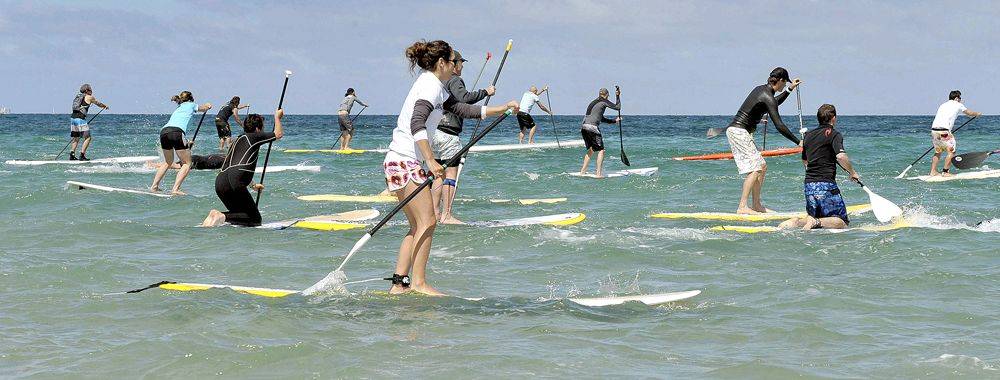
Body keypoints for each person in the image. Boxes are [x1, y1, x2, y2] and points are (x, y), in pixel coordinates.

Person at [383, 40, 518, 296]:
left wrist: (502, 108)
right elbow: (417, 124)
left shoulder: (437, 88)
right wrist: (431, 160)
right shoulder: (429, 87)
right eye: (455, 62)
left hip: (398, 161)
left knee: (418, 224)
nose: (457, 67)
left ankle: (399, 284)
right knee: (429, 221)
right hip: (404, 160)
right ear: (443, 63)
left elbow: (462, 109)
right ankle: (420, 284)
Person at [725, 67, 802, 214]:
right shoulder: (767, 95)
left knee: (762, 165)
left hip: (740, 131)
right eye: (785, 83)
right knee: (755, 169)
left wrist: (790, 90)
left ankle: (756, 205)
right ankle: (742, 207)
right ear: (780, 80)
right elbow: (779, 124)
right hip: (738, 131)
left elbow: (773, 102)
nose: (784, 86)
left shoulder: (761, 90)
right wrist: (798, 142)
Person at [432, 49, 495, 224]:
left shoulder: (440, 81)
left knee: (438, 174)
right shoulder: (455, 79)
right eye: (461, 63)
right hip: (449, 134)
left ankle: (435, 213)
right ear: (454, 64)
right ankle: (446, 215)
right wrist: (486, 92)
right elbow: (464, 98)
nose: (462, 67)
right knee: (451, 174)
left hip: (435, 133)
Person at [779, 104, 860, 230]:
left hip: (809, 185)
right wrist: (852, 172)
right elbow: (841, 157)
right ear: (833, 118)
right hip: (826, 185)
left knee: (816, 217)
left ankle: (795, 223)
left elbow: (805, 161)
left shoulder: (808, 136)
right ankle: (815, 222)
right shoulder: (834, 134)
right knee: (842, 222)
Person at [202, 111, 284, 227]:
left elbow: (234, 166)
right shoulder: (254, 136)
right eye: (262, 128)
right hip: (235, 180)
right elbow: (278, 134)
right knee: (255, 219)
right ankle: (220, 215)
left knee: (240, 214)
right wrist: (277, 117)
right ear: (257, 129)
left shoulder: (237, 140)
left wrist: (253, 185)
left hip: (220, 182)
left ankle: (216, 218)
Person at [150, 91, 212, 195]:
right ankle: (175, 189)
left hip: (164, 132)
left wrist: (186, 142)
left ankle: (154, 186)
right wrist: (208, 105)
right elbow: (204, 108)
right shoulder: (191, 105)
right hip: (176, 132)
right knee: (187, 163)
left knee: (168, 162)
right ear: (191, 98)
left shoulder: (179, 107)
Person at [929, 90, 981, 176]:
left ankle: (933, 172)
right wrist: (977, 114)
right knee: (951, 151)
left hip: (934, 130)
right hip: (944, 131)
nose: (960, 100)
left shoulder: (943, 104)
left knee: (938, 152)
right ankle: (945, 172)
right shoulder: (958, 104)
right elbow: (969, 113)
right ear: (956, 98)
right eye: (960, 98)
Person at [578, 87, 621, 178]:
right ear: (606, 95)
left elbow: (601, 118)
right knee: (601, 150)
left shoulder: (593, 103)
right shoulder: (603, 101)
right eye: (608, 96)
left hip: (584, 127)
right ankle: (598, 174)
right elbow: (618, 107)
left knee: (591, 149)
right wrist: (617, 96)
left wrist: (614, 121)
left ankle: (582, 172)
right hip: (592, 128)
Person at [67, 84, 109, 161]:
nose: (92, 91)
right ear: (87, 91)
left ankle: (72, 155)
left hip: (73, 118)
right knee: (88, 137)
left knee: (76, 137)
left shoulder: (78, 97)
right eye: (90, 90)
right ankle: (82, 155)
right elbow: (98, 103)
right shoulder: (89, 97)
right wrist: (105, 106)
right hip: (80, 118)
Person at [145, 153, 225, 170]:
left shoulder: (222, 156)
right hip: (197, 161)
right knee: (176, 166)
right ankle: (153, 165)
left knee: (175, 165)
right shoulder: (225, 161)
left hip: (197, 158)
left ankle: (154, 165)